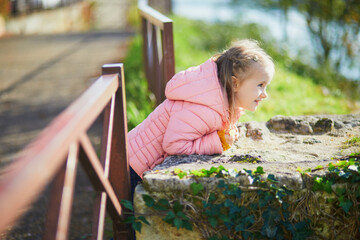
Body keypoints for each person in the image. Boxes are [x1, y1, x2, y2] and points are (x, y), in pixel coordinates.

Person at [128, 39, 275, 197]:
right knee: (128, 218)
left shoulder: (217, 102)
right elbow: (174, 145)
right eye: (260, 85)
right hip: (130, 169)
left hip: (135, 162)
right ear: (235, 84)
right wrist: (216, 141)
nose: (265, 94)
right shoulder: (205, 109)